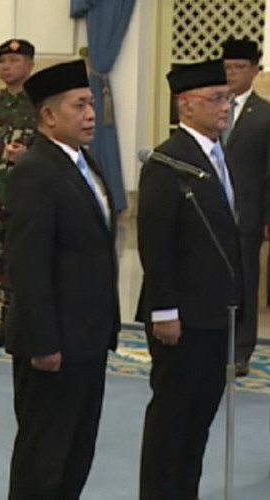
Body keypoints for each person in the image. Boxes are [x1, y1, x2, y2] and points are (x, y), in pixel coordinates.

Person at [5, 59, 120, 500]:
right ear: (49, 115)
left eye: (91, 104)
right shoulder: (36, 171)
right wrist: (44, 342)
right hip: (52, 345)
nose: (90, 114)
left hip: (88, 338)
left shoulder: (83, 162)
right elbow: (28, 264)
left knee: (76, 455)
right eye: (79, 105)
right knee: (43, 460)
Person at [136, 60, 243, 499]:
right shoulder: (169, 162)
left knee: (197, 425)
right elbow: (156, 243)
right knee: (172, 424)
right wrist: (164, 310)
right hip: (181, 319)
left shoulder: (217, 156)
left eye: (227, 98)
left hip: (216, 314)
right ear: (186, 104)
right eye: (215, 99)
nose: (225, 107)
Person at [0, 39, 36, 348]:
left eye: (14, 60)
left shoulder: (39, 103)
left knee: (27, 260)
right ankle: (5, 321)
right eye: (3, 61)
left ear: (29, 64)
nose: (7, 67)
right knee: (0, 260)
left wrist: (28, 156)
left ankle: (29, 322)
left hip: (29, 196)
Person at [221, 36, 270, 376]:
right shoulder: (211, 106)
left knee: (245, 281)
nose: (232, 74)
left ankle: (241, 349)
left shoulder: (264, 115)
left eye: (240, 67)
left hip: (248, 212)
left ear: (255, 70)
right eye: (227, 67)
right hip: (211, 211)